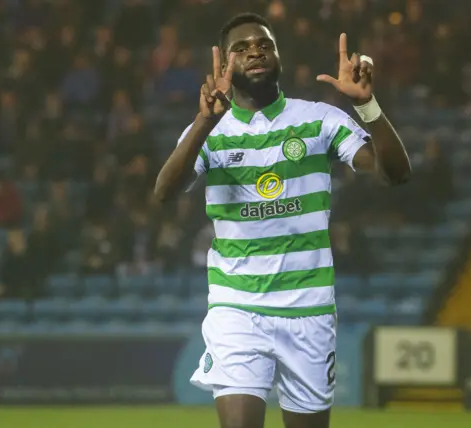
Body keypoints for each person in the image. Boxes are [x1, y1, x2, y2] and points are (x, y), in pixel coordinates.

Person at [154, 13, 411, 428]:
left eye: (264, 44)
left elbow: (394, 173)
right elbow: (164, 193)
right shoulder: (209, 131)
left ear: (278, 56)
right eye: (241, 47)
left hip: (309, 309)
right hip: (237, 307)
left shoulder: (319, 119)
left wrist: (366, 105)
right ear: (223, 69)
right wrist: (204, 121)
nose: (255, 50)